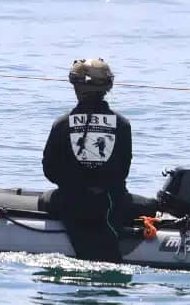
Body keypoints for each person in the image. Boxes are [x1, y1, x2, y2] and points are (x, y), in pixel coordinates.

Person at [41, 58, 138, 262]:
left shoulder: (61, 124)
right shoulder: (123, 125)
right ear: (107, 86)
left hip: (71, 201)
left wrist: (76, 185)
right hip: (110, 203)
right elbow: (122, 172)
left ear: (77, 87)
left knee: (43, 200)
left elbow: (50, 170)